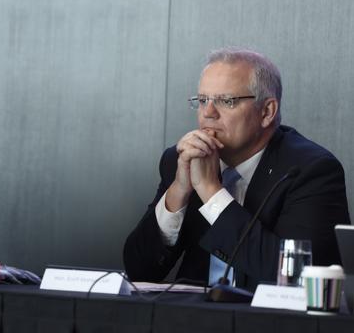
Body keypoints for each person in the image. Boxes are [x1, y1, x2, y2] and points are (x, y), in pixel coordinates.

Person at [123, 48, 350, 290]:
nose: (208, 113)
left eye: (226, 101)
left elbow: (296, 280)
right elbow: (139, 271)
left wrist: (212, 192)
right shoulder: (181, 160)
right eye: (202, 101)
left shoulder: (310, 170)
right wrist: (178, 192)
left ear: (267, 112)